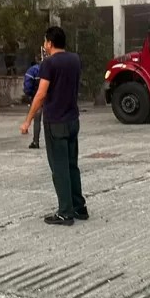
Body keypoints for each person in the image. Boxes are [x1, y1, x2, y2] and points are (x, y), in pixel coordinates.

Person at [21, 26, 87, 226]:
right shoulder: (75, 59)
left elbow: (41, 94)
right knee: (71, 166)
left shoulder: (48, 64)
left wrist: (28, 120)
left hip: (56, 122)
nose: (44, 45)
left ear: (49, 43)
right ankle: (79, 207)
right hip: (72, 120)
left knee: (59, 169)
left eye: (45, 41)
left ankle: (65, 212)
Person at [22, 59, 43, 149]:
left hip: (36, 97)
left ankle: (36, 141)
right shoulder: (50, 69)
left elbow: (27, 86)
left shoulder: (32, 70)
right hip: (50, 98)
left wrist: (30, 95)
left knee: (37, 120)